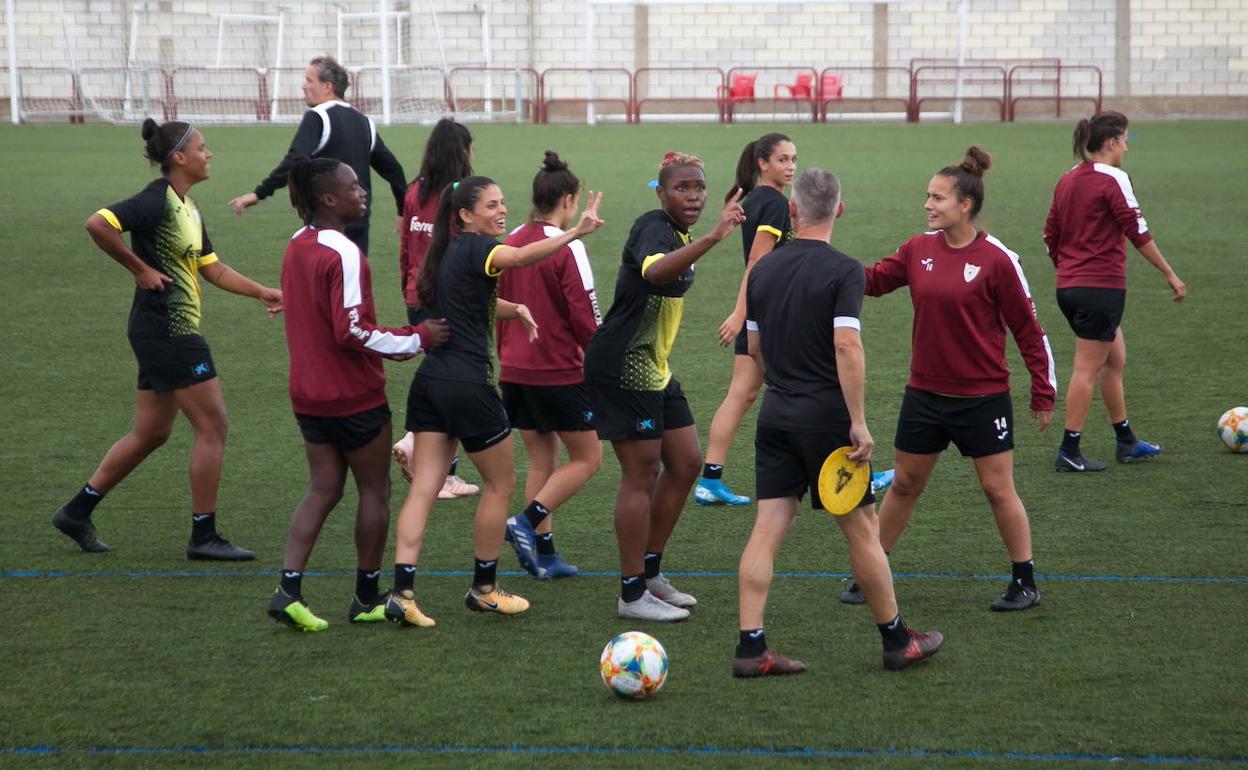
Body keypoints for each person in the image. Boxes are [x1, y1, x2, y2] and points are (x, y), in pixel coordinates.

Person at [735, 168, 944, 675]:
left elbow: (756, 348)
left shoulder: (761, 271)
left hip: (776, 415)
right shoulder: (845, 270)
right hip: (826, 420)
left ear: (792, 212)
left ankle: (751, 648)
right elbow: (846, 344)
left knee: (766, 530)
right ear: (839, 211)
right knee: (860, 530)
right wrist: (857, 421)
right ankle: (897, 642)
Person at [52, 119, 282, 560]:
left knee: (152, 432)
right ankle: (204, 537)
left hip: (159, 330)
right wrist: (138, 267)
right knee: (213, 426)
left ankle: (76, 512)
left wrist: (261, 292)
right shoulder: (155, 200)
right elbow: (98, 223)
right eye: (202, 147)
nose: (208, 153)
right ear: (179, 157)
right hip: (169, 330)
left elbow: (211, 269)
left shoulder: (188, 208)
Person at [841, 147, 1057, 612]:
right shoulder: (919, 250)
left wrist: (1043, 388)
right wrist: (825, 265)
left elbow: (1028, 329)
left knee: (998, 489)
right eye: (927, 196)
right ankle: (871, 571)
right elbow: (875, 280)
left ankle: (1025, 580)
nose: (928, 205)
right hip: (923, 396)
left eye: (937, 198)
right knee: (903, 485)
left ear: (965, 205)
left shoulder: (999, 259)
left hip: (982, 398)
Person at [384, 176, 604, 626]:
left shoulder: (443, 252)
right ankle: (484, 588)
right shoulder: (480, 248)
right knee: (500, 486)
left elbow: (469, 303)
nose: (501, 211)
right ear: (465, 215)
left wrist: (515, 309)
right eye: (490, 205)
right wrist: (575, 232)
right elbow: (521, 257)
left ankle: (401, 593)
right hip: (469, 386)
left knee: (426, 488)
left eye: (504, 202)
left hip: (431, 383)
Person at [266, 157, 449, 632]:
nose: (362, 191)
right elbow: (352, 331)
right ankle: (366, 597)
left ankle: (288, 589)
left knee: (323, 489)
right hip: (352, 395)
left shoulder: (296, 245)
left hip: (307, 395)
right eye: (353, 186)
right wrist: (418, 338)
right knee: (375, 489)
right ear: (328, 198)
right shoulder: (343, 252)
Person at [582, 152, 744, 622]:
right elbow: (654, 272)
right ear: (661, 191)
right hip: (623, 365)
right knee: (642, 472)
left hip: (654, 367)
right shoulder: (652, 226)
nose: (693, 196)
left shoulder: (677, 231)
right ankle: (631, 595)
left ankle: (649, 573)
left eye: (699, 187)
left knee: (688, 461)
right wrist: (715, 236)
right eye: (682, 188)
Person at [1044, 111, 1186, 472]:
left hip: (1070, 288)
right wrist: (1169, 273)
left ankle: (1126, 440)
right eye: (1124, 140)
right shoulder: (1115, 178)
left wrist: (1068, 271)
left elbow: (1051, 233)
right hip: (1101, 287)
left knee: (1114, 359)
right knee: (1086, 369)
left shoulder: (1067, 178)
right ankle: (1069, 450)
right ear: (1111, 142)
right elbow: (1136, 230)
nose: (1126, 147)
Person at [498, 152, 604, 580]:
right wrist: (598, 355)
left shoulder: (510, 241)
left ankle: (544, 555)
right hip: (557, 370)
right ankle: (525, 521)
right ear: (568, 200)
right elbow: (584, 312)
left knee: (542, 460)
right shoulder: (568, 246)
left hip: (514, 370)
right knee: (589, 458)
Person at [694, 133, 795, 507]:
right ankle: (853, 473)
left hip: (766, 310)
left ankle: (710, 479)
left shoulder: (764, 200)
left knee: (743, 394)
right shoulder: (772, 204)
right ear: (762, 164)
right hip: (772, 313)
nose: (790, 167)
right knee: (819, 385)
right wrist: (741, 313)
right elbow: (758, 260)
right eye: (782, 160)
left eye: (793, 159)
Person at [228, 55, 406, 256]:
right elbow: (394, 170)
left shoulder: (318, 116)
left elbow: (296, 160)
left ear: (327, 86)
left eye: (309, 80)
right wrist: (403, 211)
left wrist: (259, 193)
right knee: (352, 281)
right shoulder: (364, 122)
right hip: (358, 219)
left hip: (327, 222)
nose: (304, 86)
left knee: (322, 283)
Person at [390, 118, 481, 500]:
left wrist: (408, 290)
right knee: (458, 382)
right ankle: (425, 453)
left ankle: (443, 471)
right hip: (451, 299)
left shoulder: (414, 191)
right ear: (463, 152)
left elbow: (406, 247)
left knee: (444, 379)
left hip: (417, 295)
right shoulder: (461, 196)